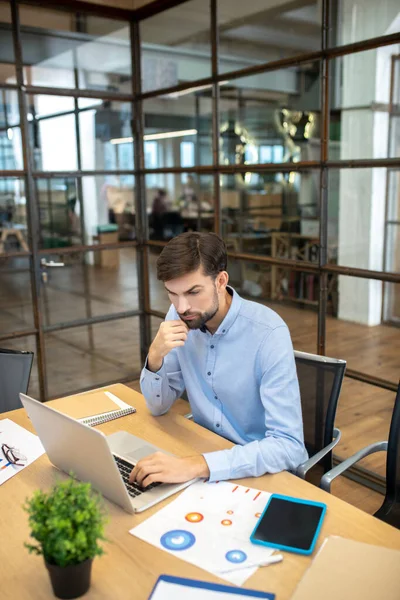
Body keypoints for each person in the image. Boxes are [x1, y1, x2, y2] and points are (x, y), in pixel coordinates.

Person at [130, 232, 307, 488]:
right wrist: (155, 355)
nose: (181, 307)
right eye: (172, 294)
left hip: (257, 472)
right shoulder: (180, 315)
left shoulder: (269, 333)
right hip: (204, 460)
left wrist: (197, 465)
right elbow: (158, 407)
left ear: (221, 280)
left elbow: (289, 447)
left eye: (193, 292)